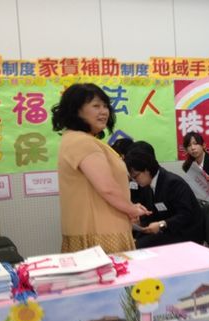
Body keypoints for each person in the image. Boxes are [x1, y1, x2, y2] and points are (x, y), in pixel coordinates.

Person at [51, 83, 150, 253]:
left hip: (96, 230)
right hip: (101, 234)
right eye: (96, 106)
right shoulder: (82, 142)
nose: (104, 112)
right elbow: (107, 188)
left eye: (105, 106)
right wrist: (132, 209)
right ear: (76, 110)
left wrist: (129, 207)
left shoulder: (77, 139)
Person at [125, 145, 204, 248]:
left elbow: (186, 215)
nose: (135, 181)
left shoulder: (172, 183)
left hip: (185, 233)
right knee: (132, 241)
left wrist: (162, 224)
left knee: (140, 246)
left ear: (146, 170)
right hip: (168, 229)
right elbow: (154, 212)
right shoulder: (149, 185)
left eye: (136, 176)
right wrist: (140, 221)